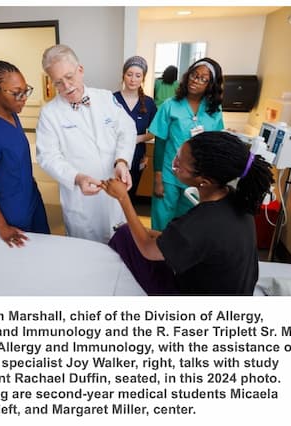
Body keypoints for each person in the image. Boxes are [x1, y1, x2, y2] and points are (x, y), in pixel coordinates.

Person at [101, 131, 274, 296]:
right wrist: (150, 233)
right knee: (131, 232)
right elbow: (197, 242)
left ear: (204, 182)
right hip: (235, 291)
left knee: (124, 235)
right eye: (177, 156)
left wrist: (123, 197)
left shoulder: (202, 222)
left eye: (179, 165)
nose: (174, 164)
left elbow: (148, 249)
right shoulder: (235, 198)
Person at [36, 45, 136, 243]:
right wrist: (77, 177)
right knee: (86, 250)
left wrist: (122, 161)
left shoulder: (106, 98)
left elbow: (127, 129)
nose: (66, 86)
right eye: (58, 83)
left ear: (80, 70)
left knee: (121, 246)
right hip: (81, 198)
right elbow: (47, 156)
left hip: (113, 189)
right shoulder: (50, 114)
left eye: (70, 77)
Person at [0, 60, 50, 248]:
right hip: (11, 212)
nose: (24, 98)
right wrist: (3, 226)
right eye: (16, 93)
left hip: (31, 199)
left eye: (25, 90)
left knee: (45, 250)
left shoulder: (12, 115)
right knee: (23, 264)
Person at [149, 57, 225, 231]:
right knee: (162, 223)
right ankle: (155, 257)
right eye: (193, 75)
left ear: (210, 84)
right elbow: (160, 143)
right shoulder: (170, 106)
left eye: (202, 79)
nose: (195, 81)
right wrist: (158, 177)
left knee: (188, 224)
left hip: (197, 178)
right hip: (170, 175)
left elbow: (215, 143)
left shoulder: (214, 110)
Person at [113, 56, 157, 201]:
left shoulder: (149, 103)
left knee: (129, 196)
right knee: (113, 196)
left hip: (138, 156)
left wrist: (136, 139)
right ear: (123, 76)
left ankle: (126, 223)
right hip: (113, 156)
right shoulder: (111, 100)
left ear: (143, 78)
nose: (133, 79)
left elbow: (153, 132)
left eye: (138, 75)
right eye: (129, 74)